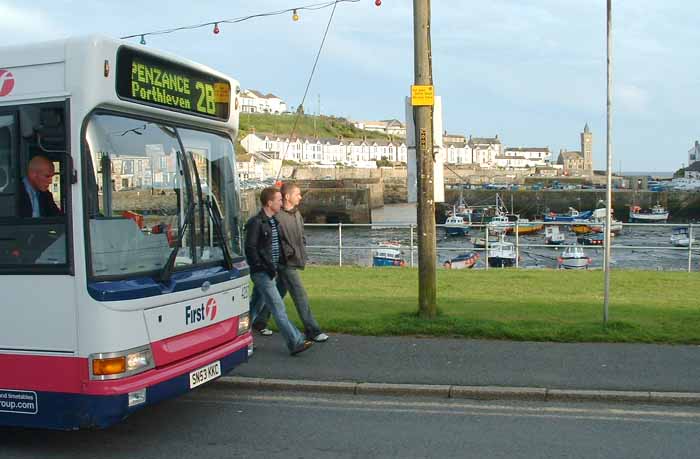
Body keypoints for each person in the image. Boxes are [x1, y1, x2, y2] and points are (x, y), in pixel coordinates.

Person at [252, 182, 328, 343]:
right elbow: (268, 242)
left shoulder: (296, 214)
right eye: (297, 194)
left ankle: (260, 321)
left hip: (289, 261)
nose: (300, 197)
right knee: (299, 294)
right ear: (287, 197)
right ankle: (312, 330)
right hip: (284, 263)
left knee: (274, 293)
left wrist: (301, 249)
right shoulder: (275, 217)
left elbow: (300, 235)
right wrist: (286, 255)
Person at [245, 187, 313, 356]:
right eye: (278, 200)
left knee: (254, 307)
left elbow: (274, 248)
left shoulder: (272, 221)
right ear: (269, 203)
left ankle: (238, 338)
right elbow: (251, 248)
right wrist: (262, 268)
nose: (281, 203)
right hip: (262, 273)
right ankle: (295, 341)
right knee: (278, 307)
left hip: (270, 270)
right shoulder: (256, 222)